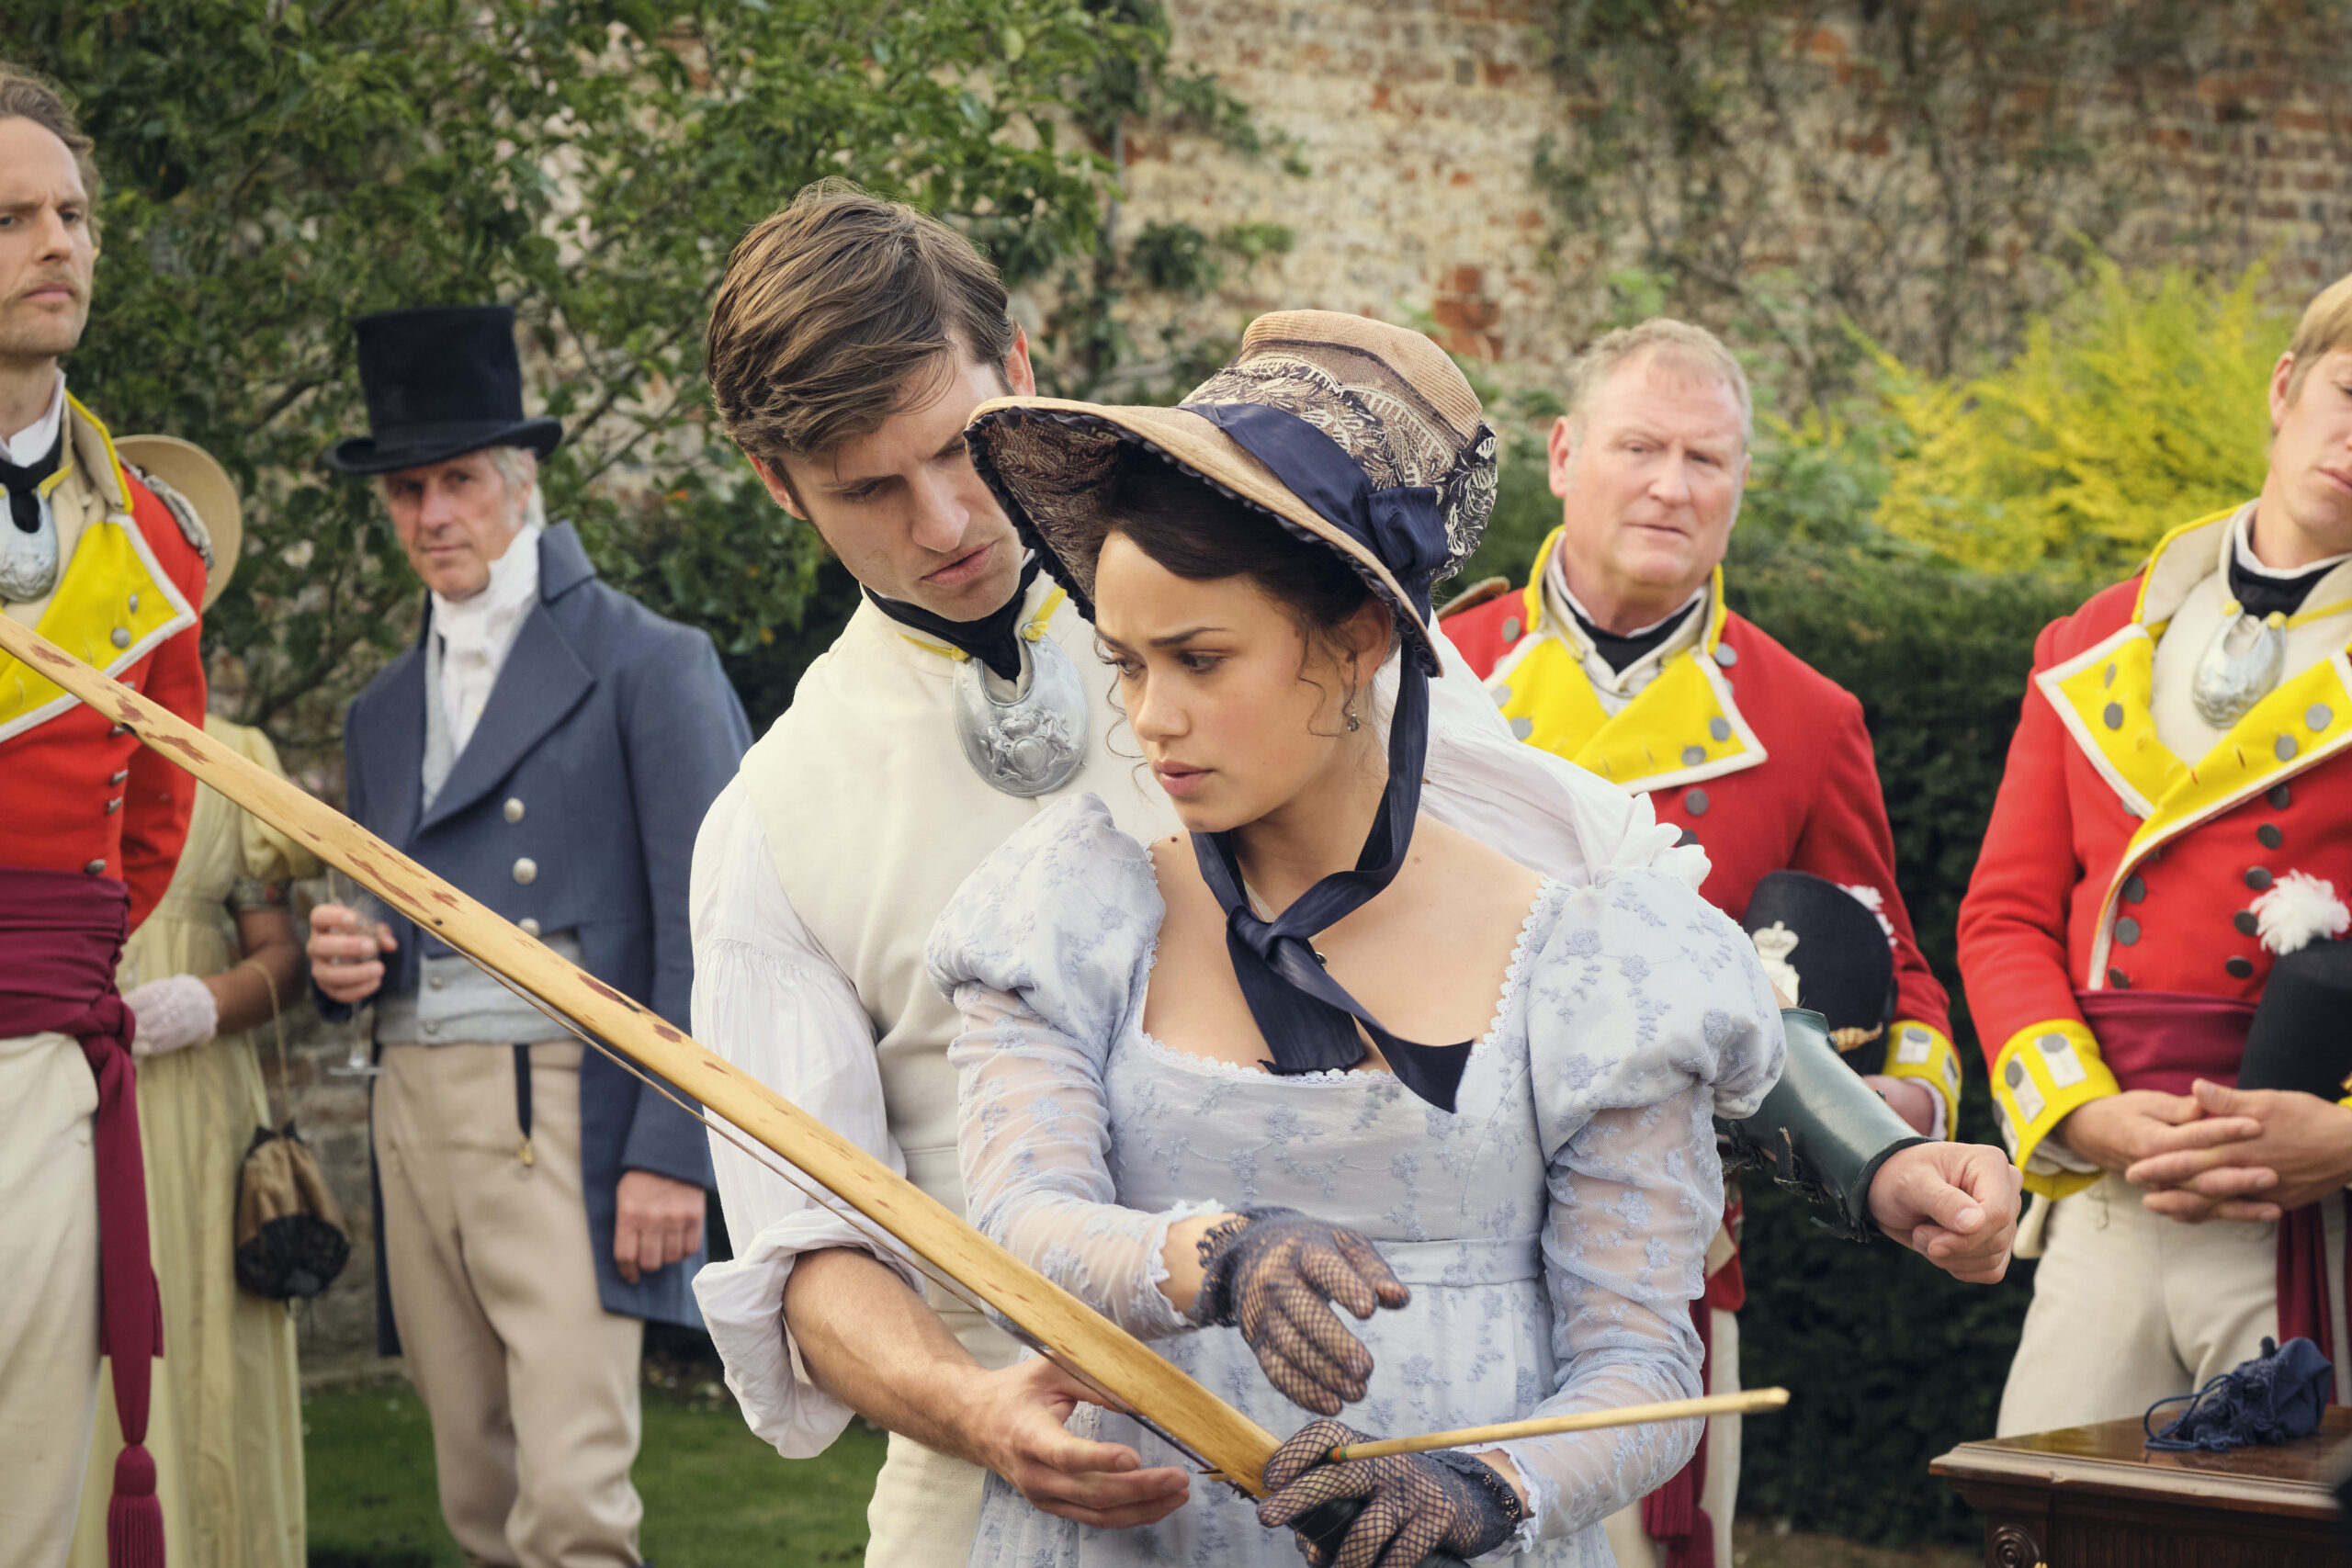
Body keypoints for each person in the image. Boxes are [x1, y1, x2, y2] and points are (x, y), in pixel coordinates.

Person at [690, 185, 2018, 1568]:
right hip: (1035, 1448)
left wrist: (1876, 1155)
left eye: (961, 451)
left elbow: (1632, 921)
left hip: (1461, 1449)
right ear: (779, 482)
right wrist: (974, 1407)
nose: (947, 518)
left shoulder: (1300, 599)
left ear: (1018, 371)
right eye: (869, 488)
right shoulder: (774, 822)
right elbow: (805, 1239)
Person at [929, 308, 1791, 1568]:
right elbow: (1019, 1220)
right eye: (1125, 662)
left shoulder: (1593, 961)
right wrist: (1216, 1255)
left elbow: (1640, 1362)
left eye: (1201, 656)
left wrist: (1492, 1482)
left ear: (1360, 638)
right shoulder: (1076, 910)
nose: (1150, 718)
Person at [1441, 318, 1966, 1568]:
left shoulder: (1806, 715)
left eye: (1707, 459)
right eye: (1639, 446)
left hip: (1668, 1251)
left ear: (1740, 486)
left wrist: (1898, 1106)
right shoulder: (1435, 669)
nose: (1672, 484)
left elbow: (1894, 982)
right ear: (1565, 454)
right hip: (1435, 1236)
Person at [303, 304, 750, 1568]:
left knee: (572, 1506)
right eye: (406, 488)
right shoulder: (381, 709)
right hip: (412, 1102)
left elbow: (710, 926)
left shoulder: (649, 661)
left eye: (456, 480)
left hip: (560, 1101)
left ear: (521, 482)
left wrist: (674, 1148)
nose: (432, 512)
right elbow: (394, 910)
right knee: (476, 1500)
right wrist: (347, 964)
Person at [1960, 271, 2352, 1437]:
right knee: (2042, 1514)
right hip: (2112, 1196)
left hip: (2313, 1221)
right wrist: (2080, 1115)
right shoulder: (2089, 642)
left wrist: (2338, 1140)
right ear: (2285, 389)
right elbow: (2005, 920)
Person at [0, 63, 212, 1568]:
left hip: (36, 1052)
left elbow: (157, 815)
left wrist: (54, 960)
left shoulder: (140, 534)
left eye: (71, 214)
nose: (56, 243)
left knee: (23, 1475)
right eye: (10, 218)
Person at [66, 442, 314, 1568]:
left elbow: (284, 954)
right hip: (58, 1095)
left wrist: (206, 1004)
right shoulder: (33, 740)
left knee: (206, 1352)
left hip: (202, 1112)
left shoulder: (239, 759)